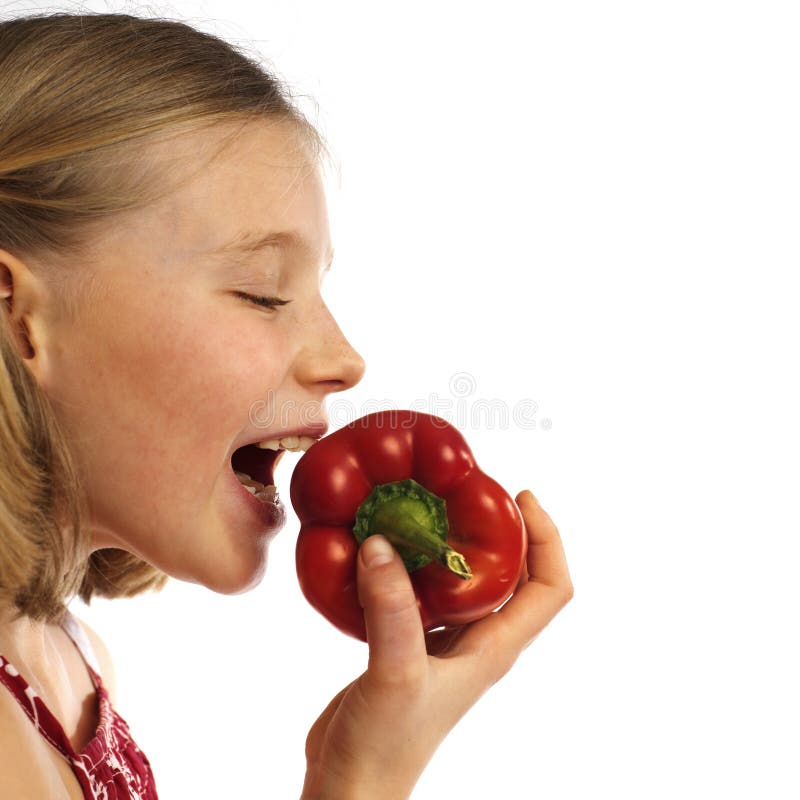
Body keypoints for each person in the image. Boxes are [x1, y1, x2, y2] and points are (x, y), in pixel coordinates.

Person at [0, 11, 573, 799]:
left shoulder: (72, 664)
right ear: (16, 315)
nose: (345, 360)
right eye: (264, 292)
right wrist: (367, 781)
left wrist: (344, 773)